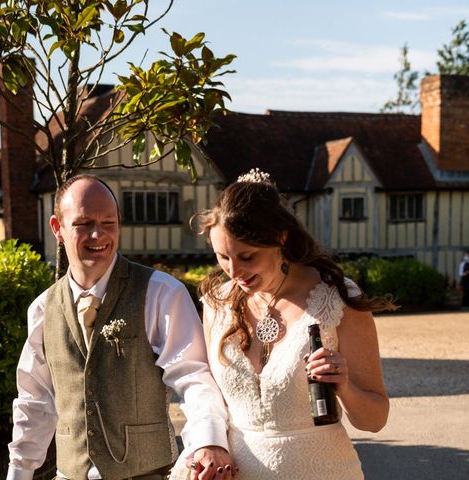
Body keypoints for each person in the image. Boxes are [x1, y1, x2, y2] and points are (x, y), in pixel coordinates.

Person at [170, 168, 396, 480]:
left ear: (280, 238)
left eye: (247, 257)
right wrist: (208, 444)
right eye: (223, 257)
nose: (234, 271)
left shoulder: (337, 299)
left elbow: (375, 420)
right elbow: (206, 395)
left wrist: (343, 385)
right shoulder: (217, 303)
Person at [6, 174, 235, 480]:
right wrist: (18, 473)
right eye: (84, 223)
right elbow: (34, 403)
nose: (98, 235)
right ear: (57, 228)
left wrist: (208, 441)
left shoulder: (161, 292)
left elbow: (192, 375)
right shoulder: (42, 309)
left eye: (108, 222)